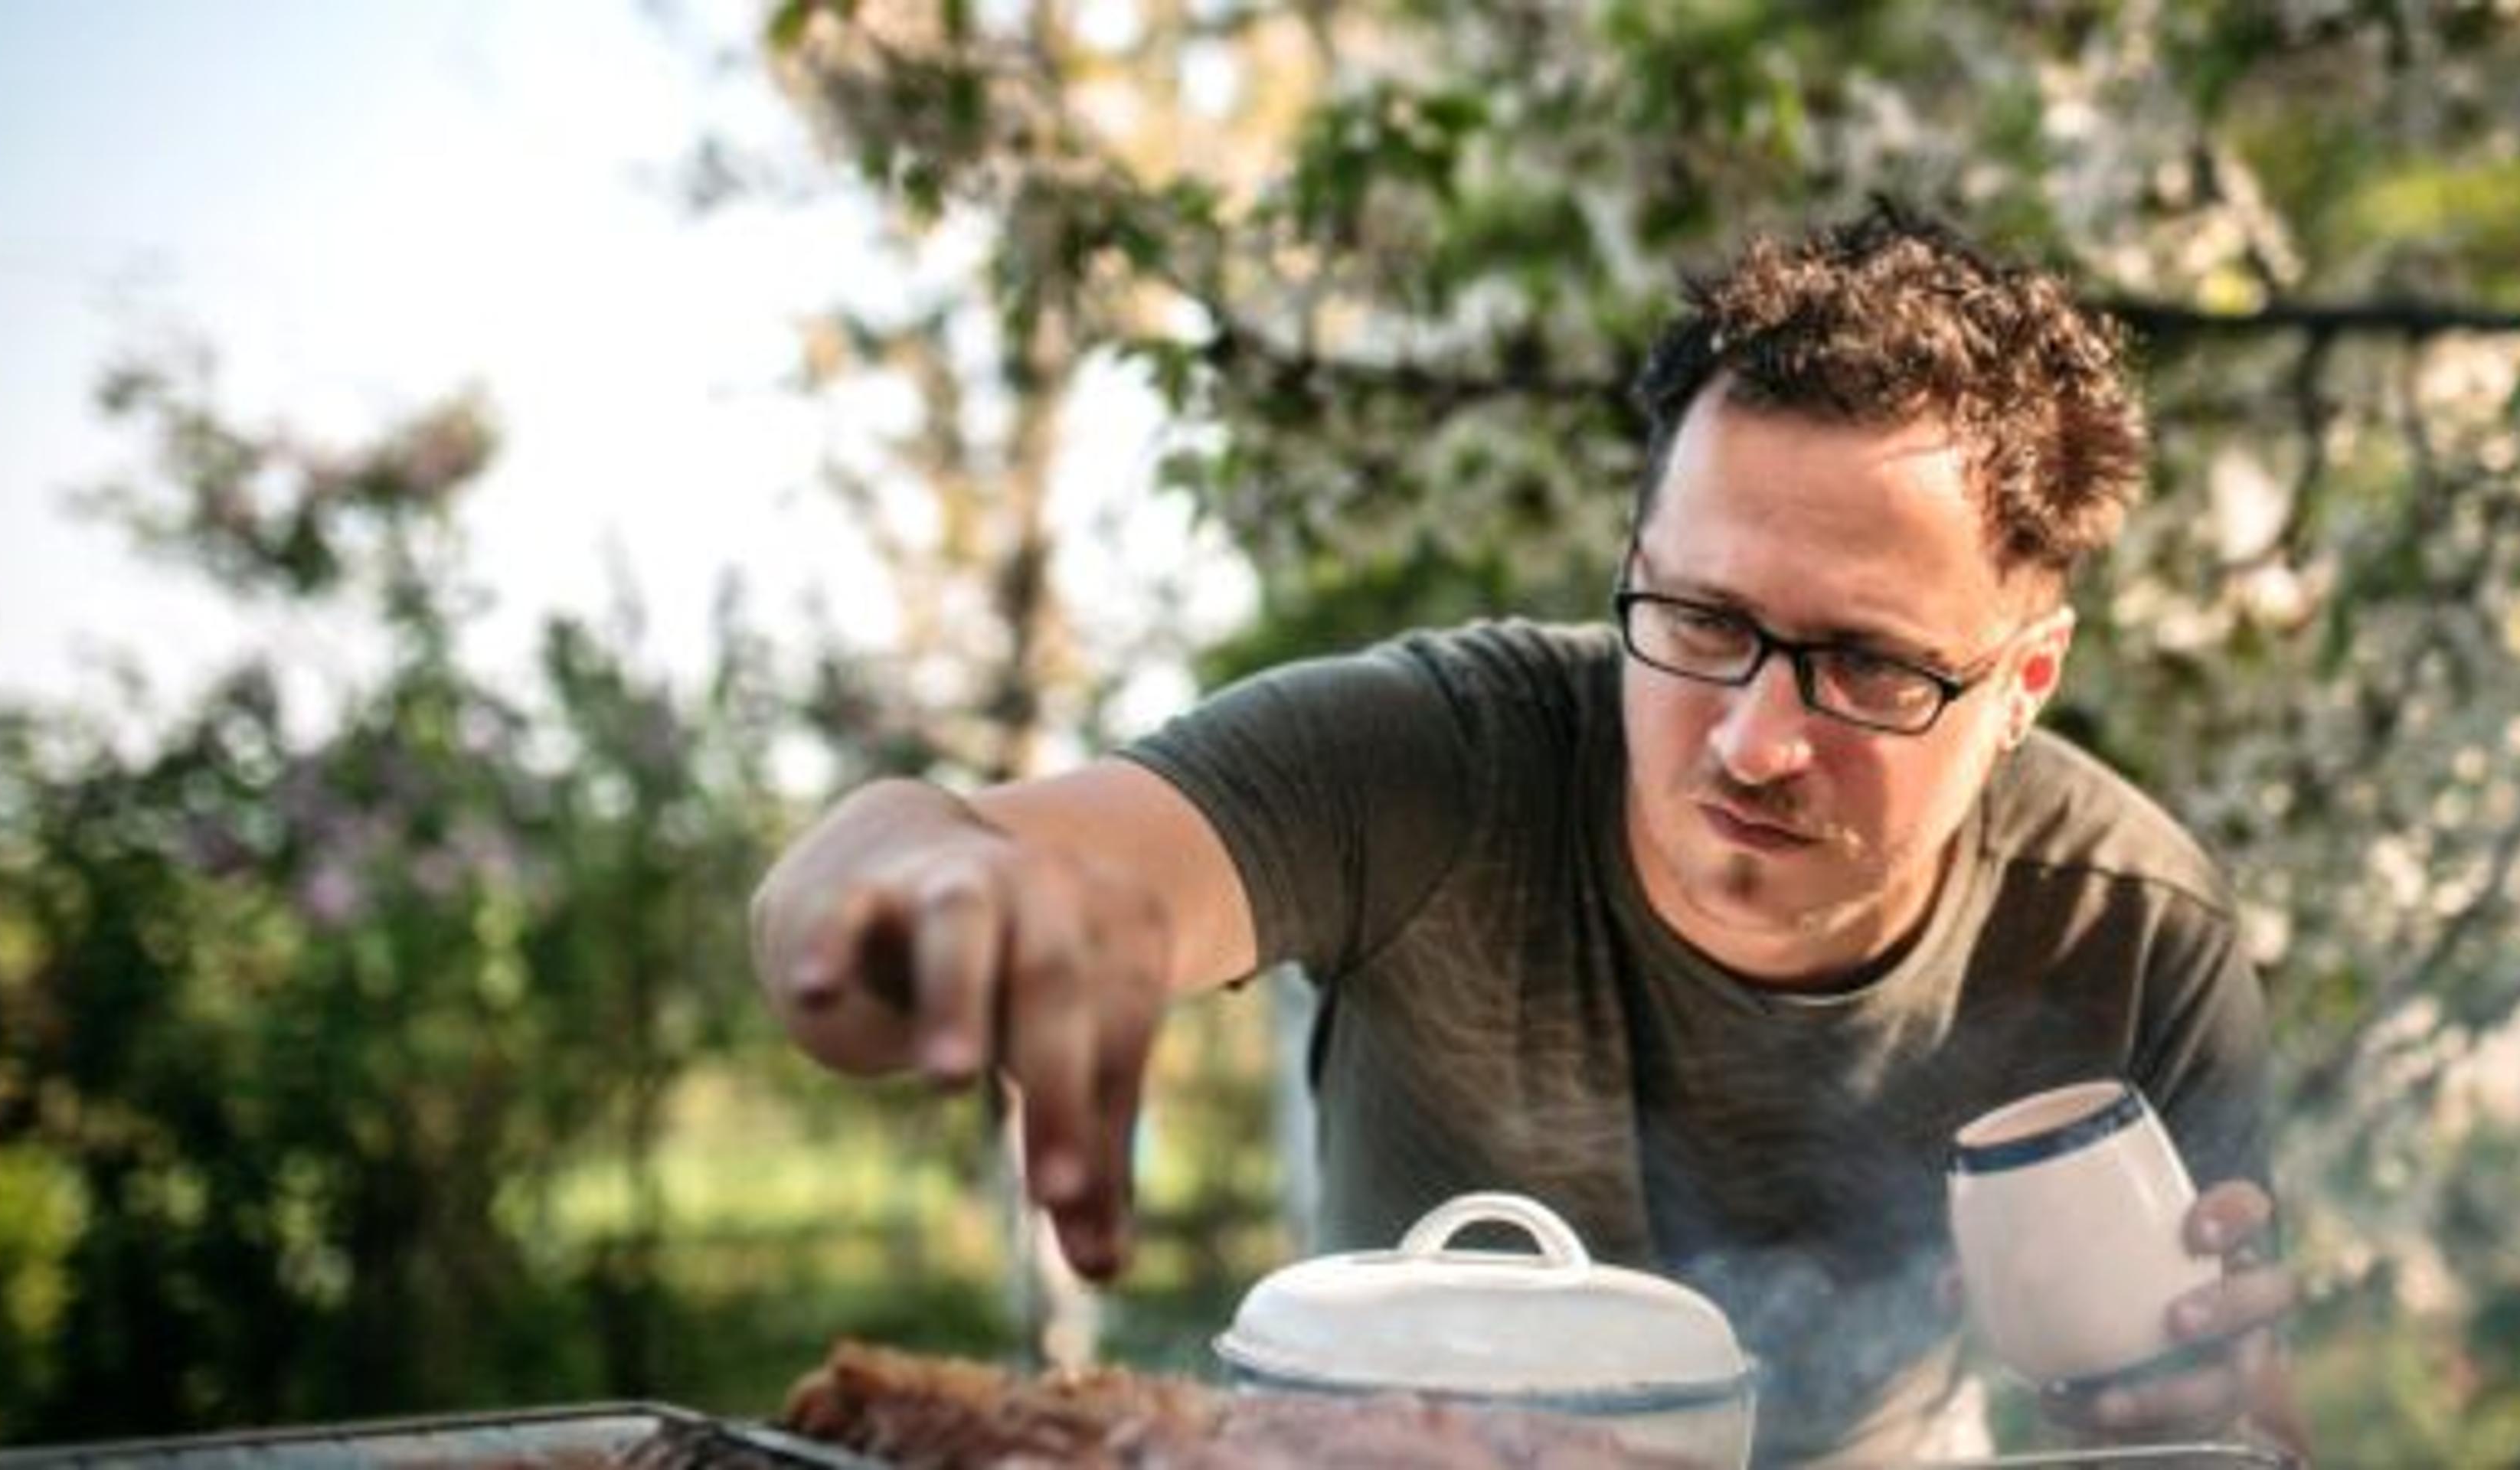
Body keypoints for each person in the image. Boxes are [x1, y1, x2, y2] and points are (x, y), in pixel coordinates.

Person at [750, 203, 2305, 1465]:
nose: (1758, 740)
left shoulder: (2130, 925)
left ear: (2026, 680)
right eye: (1698, 620)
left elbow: (2249, 1413)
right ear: (1635, 564)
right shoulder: (1435, 763)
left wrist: (2196, 1402)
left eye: (1873, 667)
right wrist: (918, 901)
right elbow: (921, 854)